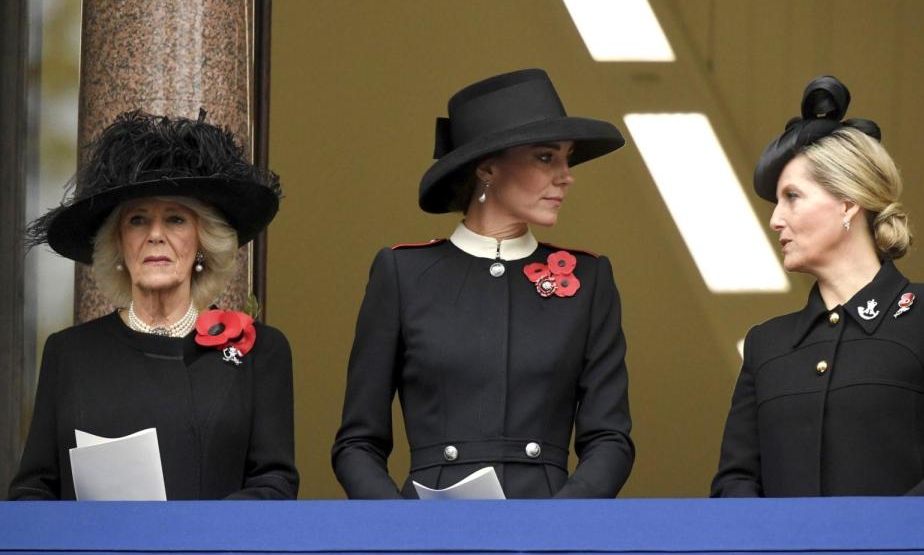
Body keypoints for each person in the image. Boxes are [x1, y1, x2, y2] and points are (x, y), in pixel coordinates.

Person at [332, 68, 634, 499]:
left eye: (567, 157)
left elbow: (610, 439)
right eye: (547, 157)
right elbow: (357, 443)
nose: (566, 174)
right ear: (488, 168)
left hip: (549, 528)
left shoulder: (590, 278)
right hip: (428, 534)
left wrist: (559, 524)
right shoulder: (403, 273)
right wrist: (402, 529)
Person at [711, 76, 924, 497]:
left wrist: (887, 533)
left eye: (792, 197)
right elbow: (734, 482)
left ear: (849, 203)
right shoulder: (767, 345)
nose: (776, 219)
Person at [9, 110, 299, 500]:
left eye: (176, 219)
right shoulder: (70, 353)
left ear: (202, 241)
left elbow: (274, 484)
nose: (156, 235)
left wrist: (194, 535)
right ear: (118, 245)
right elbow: (33, 490)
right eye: (138, 220)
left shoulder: (260, 352)